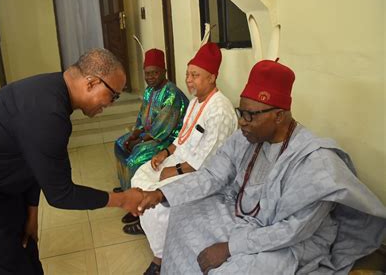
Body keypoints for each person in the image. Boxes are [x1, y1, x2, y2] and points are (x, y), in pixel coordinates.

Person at [137, 59, 386, 274]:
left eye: (251, 115)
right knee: (181, 216)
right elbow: (213, 175)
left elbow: (294, 230)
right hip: (246, 217)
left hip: (293, 241)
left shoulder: (317, 164)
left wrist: (230, 248)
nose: (242, 123)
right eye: (241, 112)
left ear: (279, 115)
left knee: (230, 271)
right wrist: (161, 193)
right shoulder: (247, 136)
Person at [0, 48, 145, 275]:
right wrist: (123, 199)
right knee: (9, 266)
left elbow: (33, 163)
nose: (112, 103)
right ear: (92, 82)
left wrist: (32, 215)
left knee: (28, 259)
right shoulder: (49, 113)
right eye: (113, 95)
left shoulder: (52, 91)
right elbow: (62, 195)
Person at [130, 43, 238, 274]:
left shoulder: (220, 110)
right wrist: (165, 152)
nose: (189, 80)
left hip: (199, 174)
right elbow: (181, 138)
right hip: (179, 161)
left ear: (212, 77)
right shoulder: (194, 102)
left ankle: (160, 258)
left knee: (157, 203)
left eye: (195, 75)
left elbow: (209, 164)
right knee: (140, 176)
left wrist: (175, 170)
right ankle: (148, 224)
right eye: (188, 74)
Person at [114, 48, 188, 225]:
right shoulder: (149, 91)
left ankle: (137, 208)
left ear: (164, 72)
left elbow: (161, 129)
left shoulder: (172, 94)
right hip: (149, 135)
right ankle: (127, 188)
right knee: (120, 143)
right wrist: (134, 134)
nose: (151, 77)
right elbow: (142, 118)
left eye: (155, 73)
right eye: (147, 73)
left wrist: (139, 140)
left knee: (136, 157)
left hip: (167, 140)